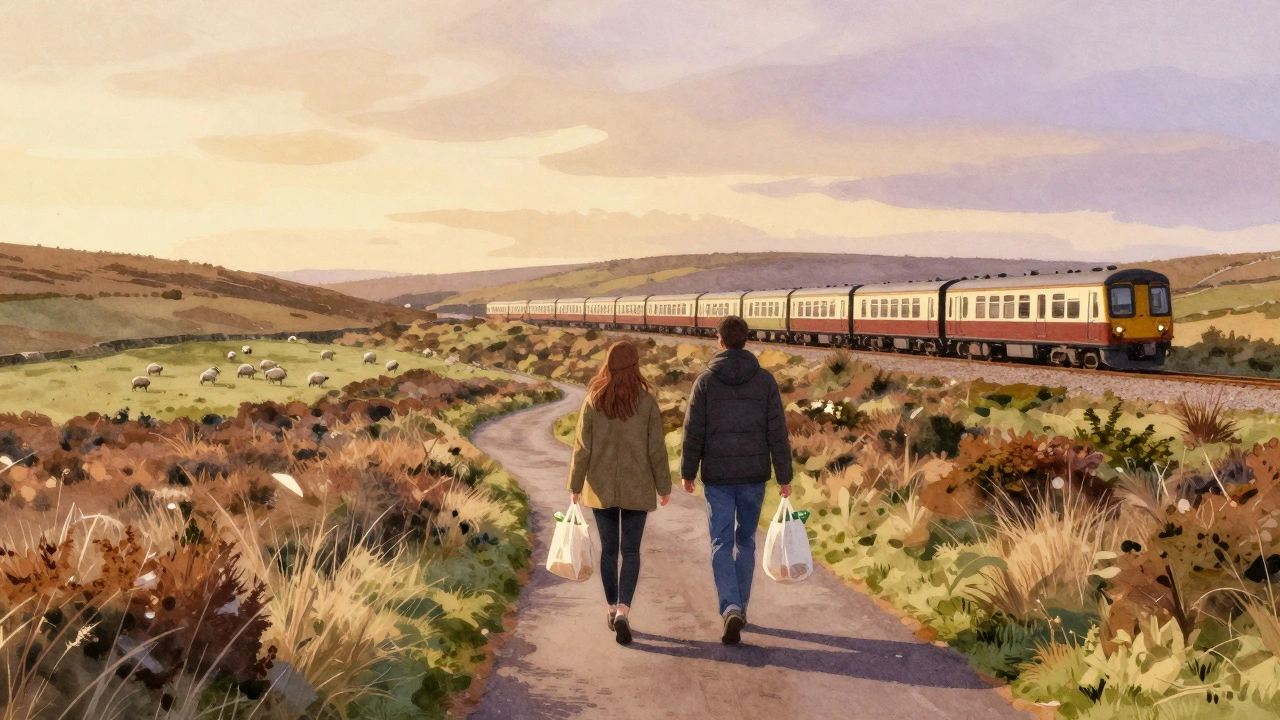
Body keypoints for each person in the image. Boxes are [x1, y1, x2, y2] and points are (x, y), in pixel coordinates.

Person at [681, 315, 792, 645]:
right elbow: (777, 433)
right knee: (746, 542)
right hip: (754, 476)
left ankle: (730, 606)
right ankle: (740, 606)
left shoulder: (705, 382)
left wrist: (688, 471)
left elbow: (693, 432)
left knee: (720, 542)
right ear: (747, 339)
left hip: (717, 477)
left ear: (719, 340)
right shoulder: (765, 382)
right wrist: (784, 476)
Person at [568, 340, 673, 645]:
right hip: (637, 488)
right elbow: (656, 450)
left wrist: (575, 487)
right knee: (631, 552)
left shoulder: (593, 401)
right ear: (635, 365)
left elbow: (582, 449)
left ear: (608, 364)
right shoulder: (646, 403)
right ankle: (625, 609)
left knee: (609, 551)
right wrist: (663, 486)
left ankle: (612, 608)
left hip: (600, 489)